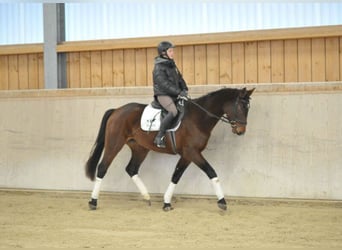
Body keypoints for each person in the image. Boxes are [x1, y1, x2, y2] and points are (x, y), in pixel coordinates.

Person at [152, 41, 189, 148]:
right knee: (173, 111)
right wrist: (179, 92)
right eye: (170, 51)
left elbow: (179, 78)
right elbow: (164, 84)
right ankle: (159, 137)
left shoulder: (171, 64)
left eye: (173, 51)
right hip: (163, 95)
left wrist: (184, 88)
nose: (173, 53)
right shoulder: (158, 68)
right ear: (164, 53)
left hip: (174, 94)